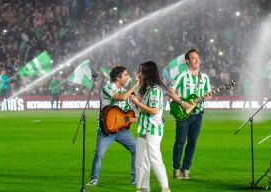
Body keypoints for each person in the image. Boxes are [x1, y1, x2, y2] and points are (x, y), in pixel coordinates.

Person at [87, 66, 138, 187]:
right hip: (106, 130)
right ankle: (94, 179)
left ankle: (135, 178)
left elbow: (129, 114)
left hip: (121, 130)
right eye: (125, 75)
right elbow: (121, 97)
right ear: (118, 77)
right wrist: (136, 85)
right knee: (99, 155)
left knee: (137, 149)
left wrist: (145, 118)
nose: (127, 77)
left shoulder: (124, 90)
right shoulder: (108, 87)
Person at [166, 48, 211, 180]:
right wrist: (181, 102)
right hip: (183, 114)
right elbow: (170, 91)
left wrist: (207, 96)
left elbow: (208, 95)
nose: (197, 60)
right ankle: (176, 169)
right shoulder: (181, 75)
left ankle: (185, 168)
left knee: (192, 143)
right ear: (187, 61)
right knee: (180, 142)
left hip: (198, 114)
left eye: (198, 57)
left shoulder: (205, 77)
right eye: (193, 58)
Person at [130, 61, 170, 192]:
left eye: (141, 71)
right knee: (141, 160)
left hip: (153, 129)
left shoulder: (155, 90)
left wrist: (137, 103)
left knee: (154, 159)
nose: (139, 73)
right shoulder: (148, 89)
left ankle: (165, 187)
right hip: (144, 128)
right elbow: (141, 105)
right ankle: (143, 187)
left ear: (148, 72)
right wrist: (136, 86)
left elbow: (153, 110)